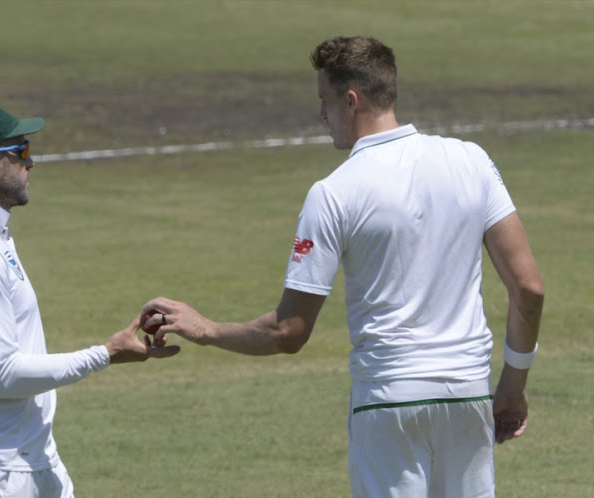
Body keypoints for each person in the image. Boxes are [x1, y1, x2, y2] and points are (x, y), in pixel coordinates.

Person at [141, 36, 544, 497]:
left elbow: (287, 332)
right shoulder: (472, 160)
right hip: (468, 394)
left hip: (387, 404)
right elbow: (528, 288)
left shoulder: (333, 193)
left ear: (350, 101)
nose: (321, 115)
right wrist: (512, 382)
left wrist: (206, 328)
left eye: (324, 101)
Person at [0, 104, 179, 498]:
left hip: (30, 459)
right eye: (20, 151)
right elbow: (4, 375)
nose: (32, 162)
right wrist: (105, 354)